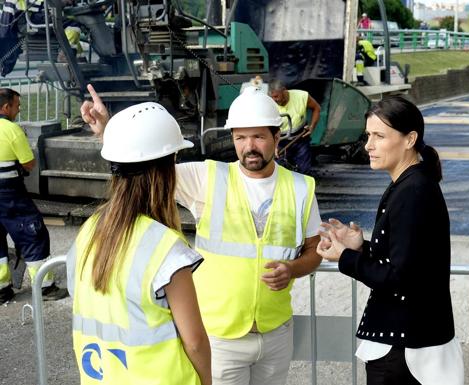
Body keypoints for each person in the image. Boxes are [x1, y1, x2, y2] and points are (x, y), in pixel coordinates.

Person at [81, 85, 323, 385]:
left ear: (276, 136)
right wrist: (108, 131)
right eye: (240, 137)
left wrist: (293, 269)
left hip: (275, 331)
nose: (249, 147)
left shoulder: (301, 188)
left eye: (259, 136)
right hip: (220, 336)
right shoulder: (207, 178)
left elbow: (314, 249)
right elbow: (145, 164)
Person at [316, 95, 464, 385]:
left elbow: (400, 278)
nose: (368, 145)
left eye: (379, 136)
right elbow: (410, 259)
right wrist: (361, 246)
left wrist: (346, 257)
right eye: (368, 135)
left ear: (410, 139)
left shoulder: (413, 190)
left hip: (404, 350)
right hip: (407, 343)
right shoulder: (412, 184)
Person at [71, 93, 212, 384]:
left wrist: (109, 133)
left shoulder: (90, 231)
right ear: (167, 169)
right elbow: (195, 341)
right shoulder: (165, 249)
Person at [0, 88, 67, 303]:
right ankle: (45, 286)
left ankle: (2, 288)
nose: (18, 111)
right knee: (32, 233)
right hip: (9, 194)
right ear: (6, 107)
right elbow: (29, 163)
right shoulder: (11, 130)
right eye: (17, 106)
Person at [269, 79, 321, 175]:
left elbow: (317, 108)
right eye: (272, 97)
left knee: (304, 171)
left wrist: (312, 126)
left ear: (284, 90)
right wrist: (274, 145)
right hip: (281, 141)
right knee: (280, 172)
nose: (274, 100)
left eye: (276, 96)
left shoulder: (301, 96)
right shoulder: (269, 104)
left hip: (301, 138)